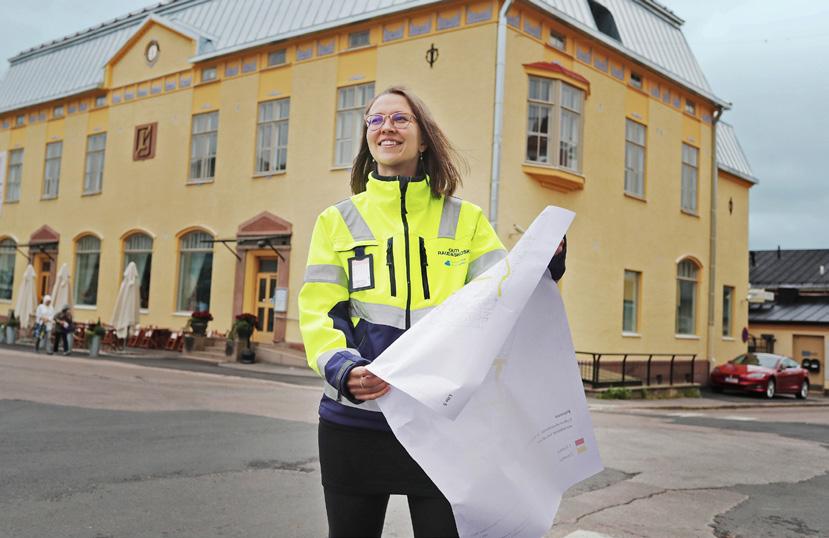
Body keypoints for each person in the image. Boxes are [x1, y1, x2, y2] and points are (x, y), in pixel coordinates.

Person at [298, 86, 566, 538]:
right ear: (367, 139)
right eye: (375, 120)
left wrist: (543, 263)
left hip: (442, 426)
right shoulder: (336, 220)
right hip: (357, 421)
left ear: (423, 138)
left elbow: (500, 296)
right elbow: (320, 310)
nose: (386, 127)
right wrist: (344, 368)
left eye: (400, 119)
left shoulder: (467, 220)